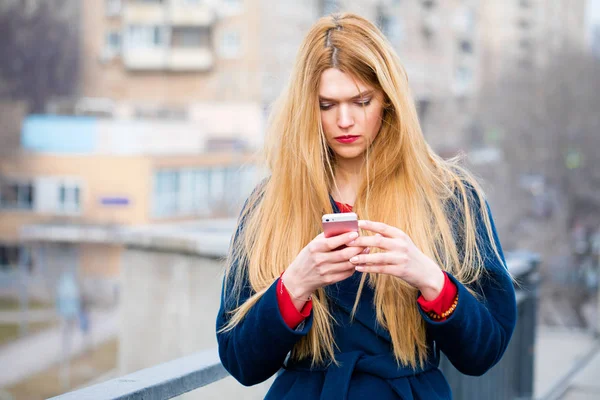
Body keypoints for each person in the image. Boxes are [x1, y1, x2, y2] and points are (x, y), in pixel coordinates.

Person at [216, 13, 517, 400]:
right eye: (327, 105)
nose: (345, 120)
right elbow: (239, 361)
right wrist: (295, 285)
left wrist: (430, 278)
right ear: (306, 108)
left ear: (389, 101)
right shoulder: (269, 205)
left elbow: (484, 351)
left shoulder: (451, 197)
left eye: (361, 101)